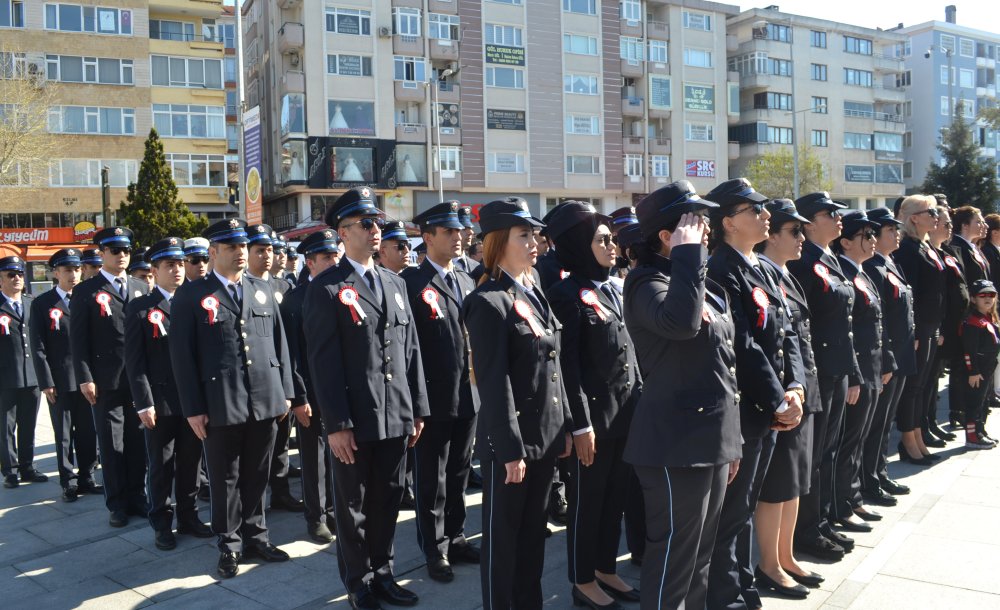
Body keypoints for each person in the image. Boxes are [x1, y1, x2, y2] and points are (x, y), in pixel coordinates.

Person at [303, 187, 429, 609]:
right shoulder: (326, 288)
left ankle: (385, 571)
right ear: (343, 233)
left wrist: (418, 410)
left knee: (388, 500)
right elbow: (323, 364)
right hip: (355, 420)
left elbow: (410, 352)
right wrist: (335, 424)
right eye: (366, 224)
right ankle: (358, 582)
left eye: (377, 222)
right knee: (353, 508)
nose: (377, 230)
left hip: (396, 415)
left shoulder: (395, 283)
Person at [622, 181, 741, 609]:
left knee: (700, 556)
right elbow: (681, 325)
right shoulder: (643, 283)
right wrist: (689, 255)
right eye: (695, 222)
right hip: (672, 445)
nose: (706, 230)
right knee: (674, 558)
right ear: (667, 236)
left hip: (711, 438)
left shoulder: (699, 281)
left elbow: (724, 363)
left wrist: (732, 440)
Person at [463, 198, 572, 610]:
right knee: (504, 543)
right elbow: (494, 384)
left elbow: (553, 368)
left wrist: (561, 428)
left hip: (543, 438)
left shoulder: (532, 292)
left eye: (535, 234)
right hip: (513, 447)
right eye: (523, 235)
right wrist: (510, 450)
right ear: (497, 243)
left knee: (532, 539)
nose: (535, 242)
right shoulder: (489, 302)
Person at [169, 218, 295, 579]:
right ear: (213, 252)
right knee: (225, 478)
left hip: (265, 398)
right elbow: (182, 357)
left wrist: (285, 390)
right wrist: (193, 408)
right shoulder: (192, 294)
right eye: (232, 247)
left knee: (259, 471)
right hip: (221, 401)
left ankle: (257, 535)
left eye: (243, 246)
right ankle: (230, 543)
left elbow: (279, 343)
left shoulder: (262, 288)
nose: (241, 253)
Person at [705, 178, 805, 608]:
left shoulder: (760, 266)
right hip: (745, 407)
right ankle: (723, 595)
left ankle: (743, 583)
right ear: (728, 222)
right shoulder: (720, 270)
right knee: (729, 514)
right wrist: (779, 398)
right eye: (755, 210)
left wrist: (796, 384)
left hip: (771, 405)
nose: (767, 216)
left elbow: (788, 333)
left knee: (744, 505)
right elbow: (741, 345)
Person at [545, 201, 641, 607]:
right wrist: (580, 425)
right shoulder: (566, 294)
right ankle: (582, 578)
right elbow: (570, 367)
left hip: (624, 416)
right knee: (587, 503)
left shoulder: (611, 287)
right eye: (602, 240)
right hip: (594, 423)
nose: (612, 246)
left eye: (612, 239)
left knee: (614, 499)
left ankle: (605, 568)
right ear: (580, 245)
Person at [403, 202, 481, 583]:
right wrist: (414, 403)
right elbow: (409, 349)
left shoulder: (466, 280)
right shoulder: (411, 283)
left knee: (460, 472)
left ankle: (457, 536)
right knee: (431, 479)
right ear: (427, 236)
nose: (459, 237)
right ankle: (434, 549)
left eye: (459, 231)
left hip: (467, 395)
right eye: (448, 232)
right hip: (432, 398)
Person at [124, 238, 213, 550]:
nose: (177, 270)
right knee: (161, 466)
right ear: (154, 270)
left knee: (191, 463)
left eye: (180, 264)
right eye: (169, 265)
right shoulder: (140, 308)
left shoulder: (196, 301)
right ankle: (162, 522)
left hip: (192, 401)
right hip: (160, 403)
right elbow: (135, 363)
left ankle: (189, 516)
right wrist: (144, 402)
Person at [755, 199, 826, 595]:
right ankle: (768, 564)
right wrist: (786, 393)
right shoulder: (764, 273)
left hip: (803, 387)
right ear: (772, 235)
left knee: (796, 479)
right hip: (782, 396)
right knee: (778, 482)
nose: (802, 238)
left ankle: (786, 556)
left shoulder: (787, 273)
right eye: (794, 232)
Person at [787, 193, 862, 562]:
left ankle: (823, 519)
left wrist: (852, 372)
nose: (838, 218)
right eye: (830, 213)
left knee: (828, 450)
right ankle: (807, 530)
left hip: (836, 369)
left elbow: (845, 322)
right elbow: (806, 324)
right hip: (817, 370)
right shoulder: (804, 262)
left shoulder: (828, 257)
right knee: (814, 456)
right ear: (808, 221)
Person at [70, 227, 150, 526]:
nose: (121, 256)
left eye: (126, 251)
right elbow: (78, 341)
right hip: (105, 379)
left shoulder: (140, 287)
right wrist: (84, 377)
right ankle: (117, 502)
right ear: (102, 253)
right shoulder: (86, 290)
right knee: (112, 443)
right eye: (115, 251)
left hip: (138, 379)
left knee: (137, 441)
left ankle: (137, 495)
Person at [279, 230, 340, 544]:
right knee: (314, 457)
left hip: (339, 390)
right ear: (310, 262)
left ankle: (334, 509)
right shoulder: (296, 299)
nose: (333, 261)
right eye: (326, 257)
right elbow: (292, 355)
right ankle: (316, 517)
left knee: (340, 453)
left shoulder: (343, 291)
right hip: (311, 393)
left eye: (335, 255)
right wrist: (299, 397)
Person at [829, 211, 887, 534]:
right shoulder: (846, 274)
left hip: (871, 367)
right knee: (847, 442)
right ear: (846, 242)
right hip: (858, 370)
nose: (873, 240)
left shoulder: (861, 272)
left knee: (859, 438)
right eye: (866, 235)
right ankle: (841, 504)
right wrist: (854, 375)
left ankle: (852, 497)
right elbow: (846, 329)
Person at [29, 249, 101, 501]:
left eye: (77, 269)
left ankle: (87, 476)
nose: (73, 274)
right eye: (67, 270)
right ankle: (68, 481)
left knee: (88, 430)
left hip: (87, 379)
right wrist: (46, 382)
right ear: (55, 273)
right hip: (60, 380)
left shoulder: (88, 298)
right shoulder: (42, 303)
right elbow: (37, 347)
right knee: (63, 433)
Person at [245, 224, 302, 513]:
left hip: (285, 374)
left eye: (271, 250)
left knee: (280, 443)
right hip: (257, 383)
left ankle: (280, 492)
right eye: (260, 250)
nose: (268, 256)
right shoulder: (242, 287)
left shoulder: (284, 286)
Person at [861, 208, 914, 503]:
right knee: (876, 422)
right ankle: (869, 478)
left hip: (899, 354)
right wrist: (887, 356)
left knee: (885, 421)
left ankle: (879, 473)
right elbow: (878, 318)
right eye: (890, 230)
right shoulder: (872, 267)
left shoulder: (889, 263)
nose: (897, 234)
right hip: (886, 355)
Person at [893, 195, 945, 465]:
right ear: (914, 217)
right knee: (912, 387)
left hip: (931, 325)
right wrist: (910, 332)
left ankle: (918, 437)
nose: (936, 216)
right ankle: (908, 441)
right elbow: (908, 295)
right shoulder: (908, 250)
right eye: (930, 212)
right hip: (919, 326)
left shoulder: (926, 247)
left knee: (922, 384)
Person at [0, 255, 46, 489]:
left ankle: (28, 467)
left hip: (32, 376)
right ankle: (10, 471)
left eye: (19, 273)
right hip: (5, 378)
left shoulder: (31, 303)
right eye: (11, 274)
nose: (17, 278)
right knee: (5, 427)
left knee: (29, 424)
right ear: (1, 279)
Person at [925, 205, 963, 448]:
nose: (949, 228)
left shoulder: (945, 250)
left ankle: (929, 423)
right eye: (946, 223)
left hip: (946, 327)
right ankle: (923, 425)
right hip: (934, 329)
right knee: (925, 383)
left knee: (933, 380)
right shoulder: (927, 251)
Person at [960, 279, 1000, 449]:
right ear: (973, 298)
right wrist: (973, 371)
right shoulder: (972, 321)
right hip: (978, 371)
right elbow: (969, 350)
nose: (987, 298)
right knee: (974, 403)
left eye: (991, 294)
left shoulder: (988, 317)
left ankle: (980, 431)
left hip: (988, 367)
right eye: (982, 295)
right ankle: (972, 436)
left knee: (983, 403)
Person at [454, 205, 483, 278]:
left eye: (470, 228)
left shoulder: (477, 267)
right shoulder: (441, 265)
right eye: (464, 229)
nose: (471, 232)